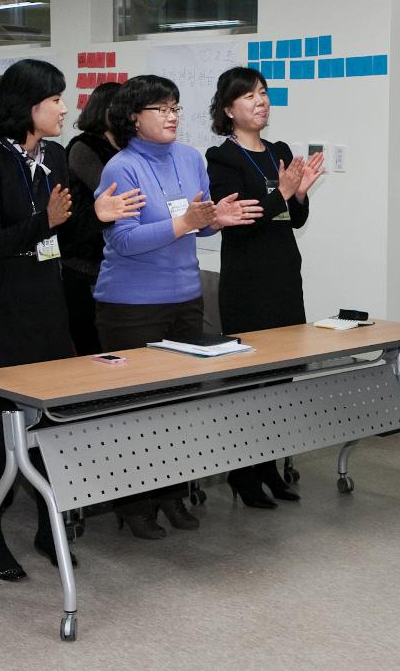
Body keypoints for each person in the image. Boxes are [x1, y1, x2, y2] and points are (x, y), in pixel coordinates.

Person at [0, 59, 140, 581]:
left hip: (45, 305)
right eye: (55, 98)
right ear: (28, 106)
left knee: (45, 429)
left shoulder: (54, 155)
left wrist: (94, 217)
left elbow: (65, 233)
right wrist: (47, 222)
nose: (65, 107)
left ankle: (46, 528)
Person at [93, 74, 262, 539]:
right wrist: (186, 221)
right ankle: (133, 504)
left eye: (175, 108)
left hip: (185, 298)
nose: (171, 117)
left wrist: (213, 222)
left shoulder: (190, 159)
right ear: (134, 118)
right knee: (136, 412)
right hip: (131, 305)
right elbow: (124, 241)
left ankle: (172, 494)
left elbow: (197, 223)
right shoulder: (121, 168)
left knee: (179, 406)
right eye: (160, 109)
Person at [205, 66, 324, 507]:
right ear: (227, 108)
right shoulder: (221, 158)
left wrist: (299, 195)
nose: (261, 101)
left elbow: (293, 220)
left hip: (283, 277)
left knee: (281, 380)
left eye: (264, 93)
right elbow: (239, 223)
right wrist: (282, 193)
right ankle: (243, 473)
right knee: (250, 382)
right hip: (248, 281)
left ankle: (270, 466)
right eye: (250, 95)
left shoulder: (279, 150)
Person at [61, 82, 122, 355]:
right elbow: (111, 191)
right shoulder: (83, 146)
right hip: (85, 258)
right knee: (91, 342)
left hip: (115, 257)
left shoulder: (127, 145)